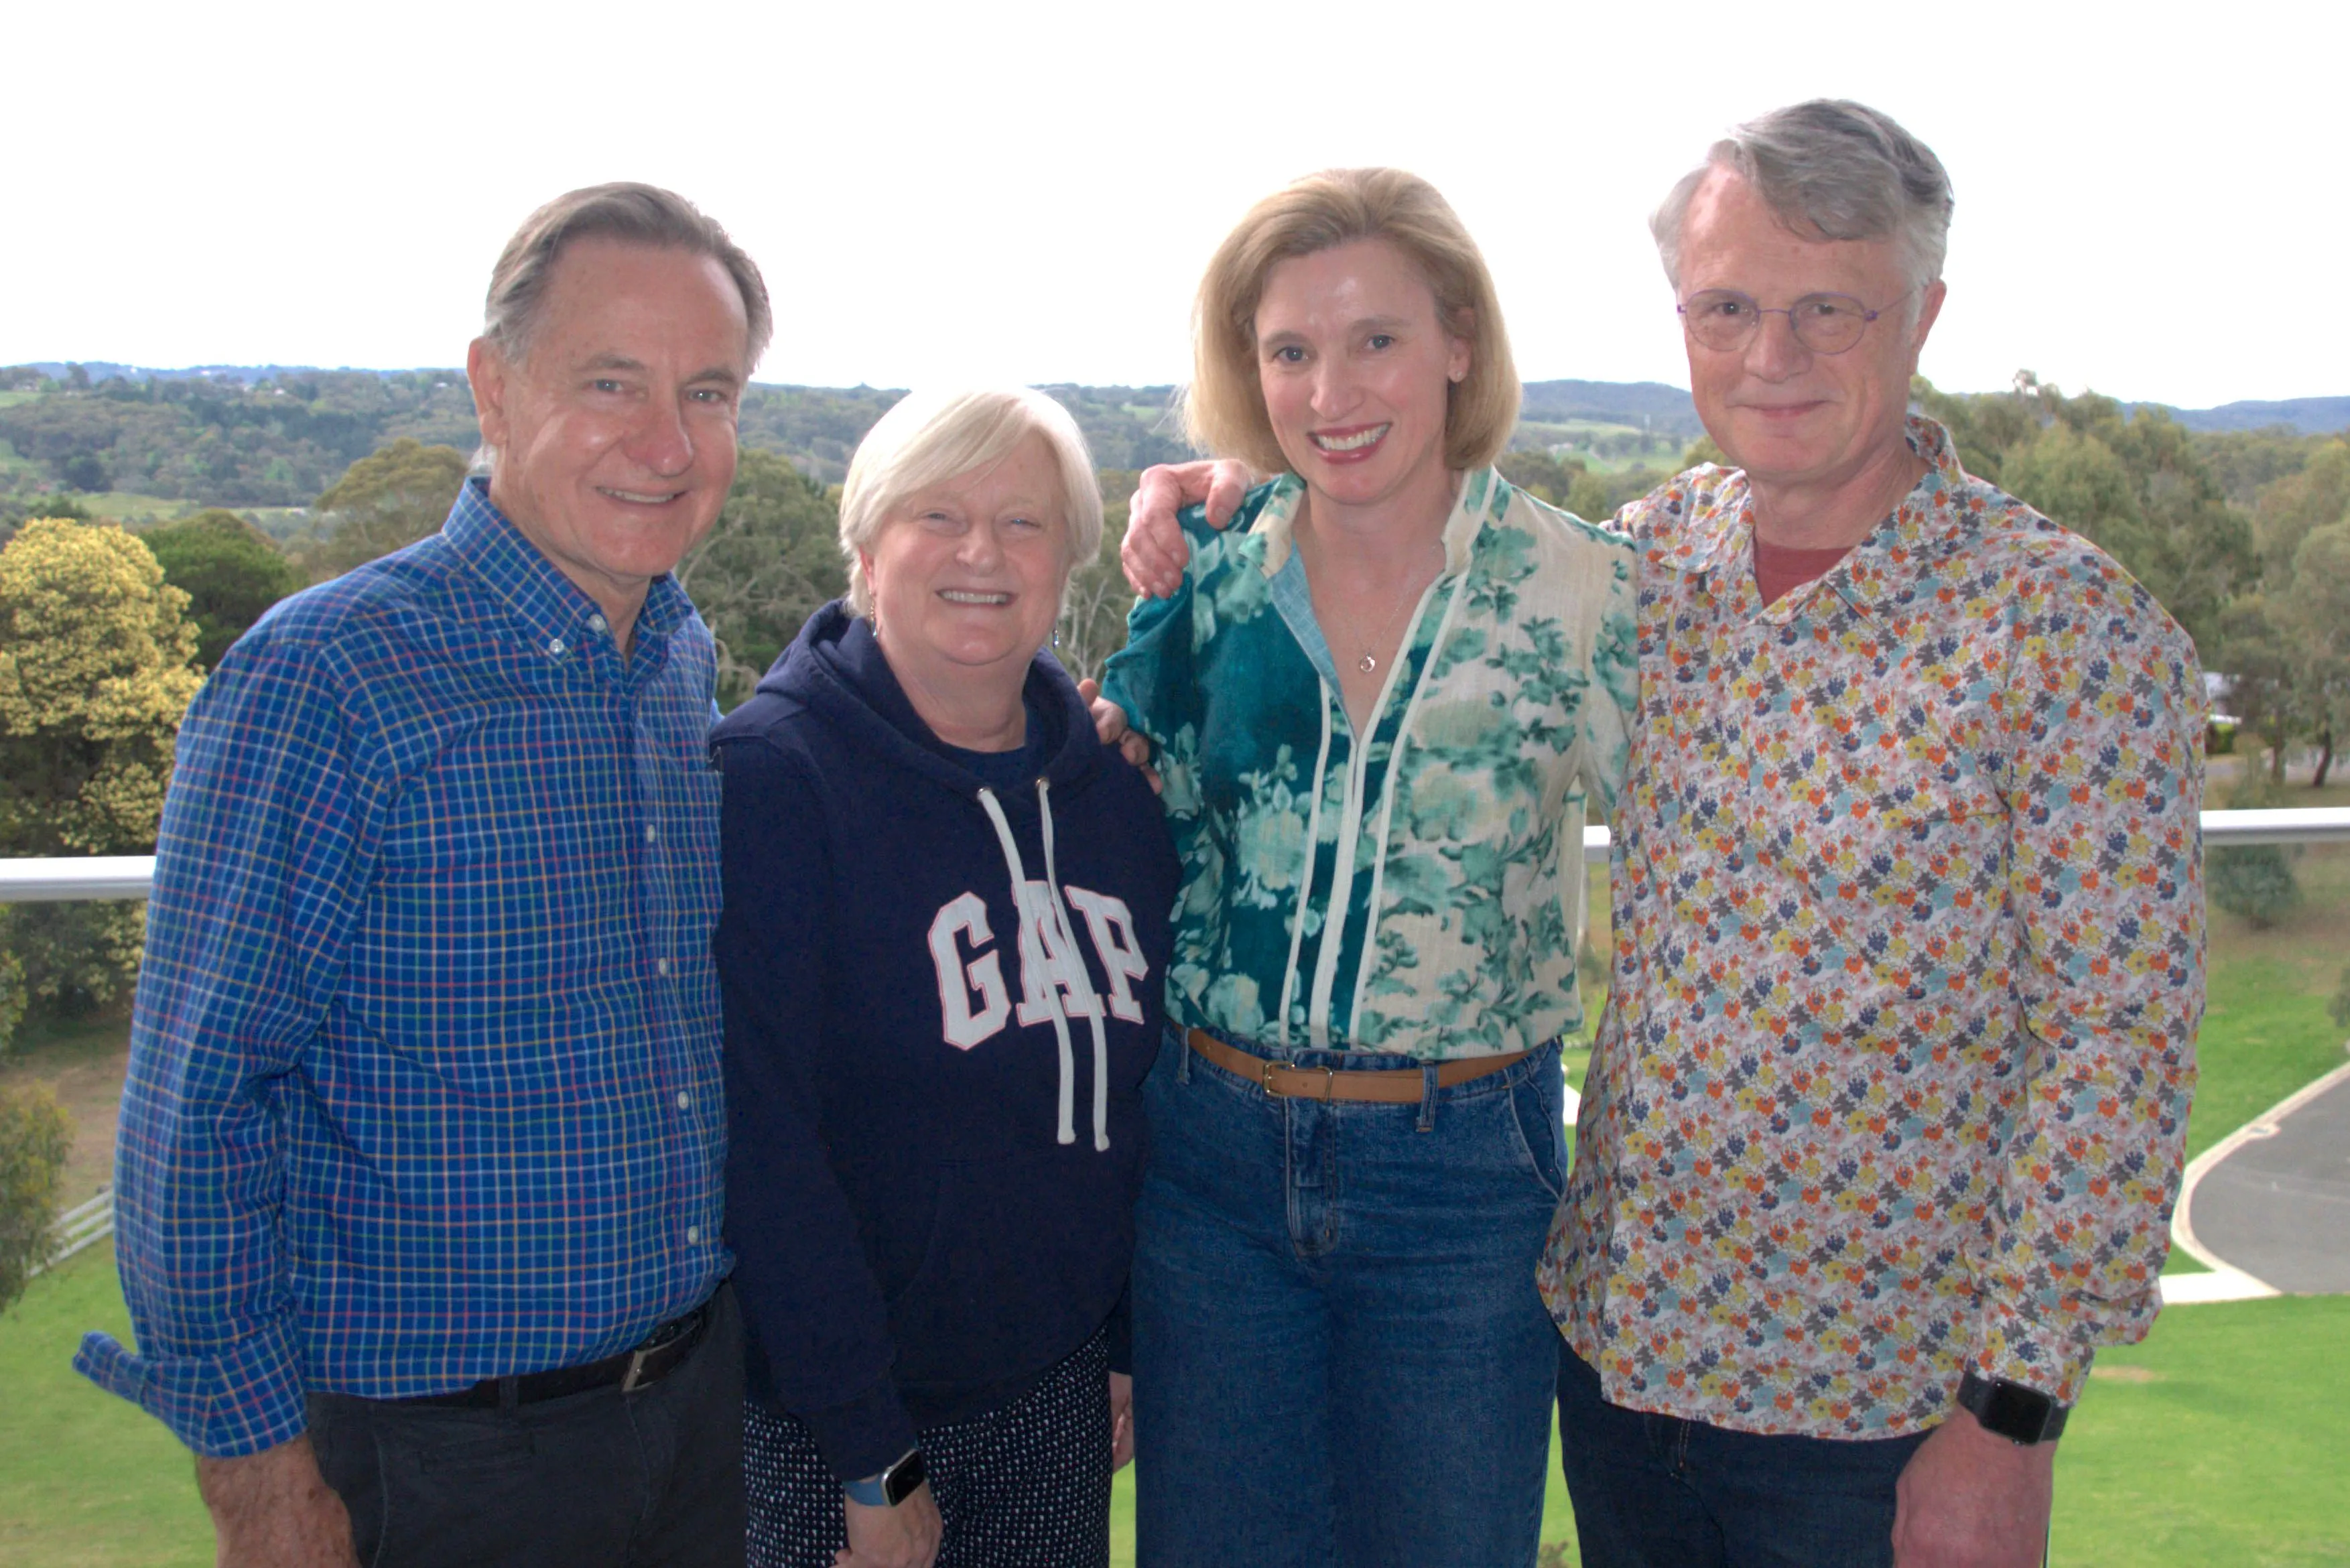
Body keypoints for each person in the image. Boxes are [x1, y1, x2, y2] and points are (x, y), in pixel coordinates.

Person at [1120, 103, 2206, 1568]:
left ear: (1925, 312)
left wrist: (2009, 1418)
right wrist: (1206, 495)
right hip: (1624, 1356)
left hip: (1877, 1400)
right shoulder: (1658, 567)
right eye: (1729, 307)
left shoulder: (2063, 629)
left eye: (1829, 307)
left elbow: (2116, 1046)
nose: (1772, 356)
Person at [76, 183, 769, 1568]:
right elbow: (195, 1112)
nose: (667, 442)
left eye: (710, 392)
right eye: (611, 385)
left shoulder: (673, 658)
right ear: (495, 389)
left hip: (693, 1415)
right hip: (445, 1461)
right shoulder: (329, 678)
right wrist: (264, 1490)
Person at [1091, 168, 1639, 1568]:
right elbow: (1103, 818)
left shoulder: (1581, 594)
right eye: (1289, 350)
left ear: (1459, 340)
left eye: (1374, 340)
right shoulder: (1205, 581)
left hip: (1460, 1180)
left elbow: (1709, 877)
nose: (1330, 390)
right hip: (1209, 1170)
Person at [710, 386, 1177, 1568]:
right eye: (938, 516)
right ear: (867, 550)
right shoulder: (773, 782)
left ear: (1066, 563)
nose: (982, 553)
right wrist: (870, 1453)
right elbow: (763, 1144)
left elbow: (1137, 1098)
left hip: (1052, 1395)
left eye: (1022, 524)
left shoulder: (1115, 802)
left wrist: (1121, 1339)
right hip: (834, 1419)